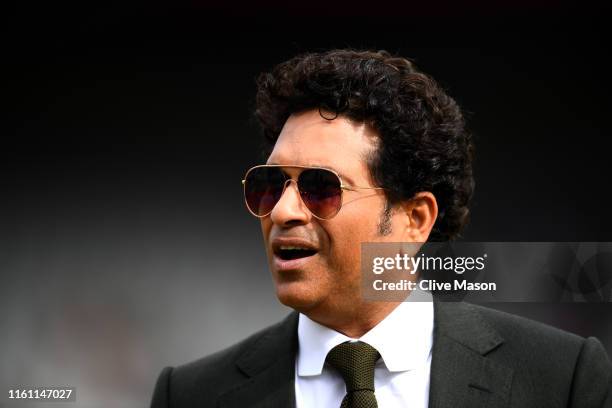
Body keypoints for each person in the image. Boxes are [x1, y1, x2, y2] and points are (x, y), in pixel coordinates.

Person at [150, 49, 612, 407]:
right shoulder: (190, 395)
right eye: (270, 184)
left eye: (320, 187)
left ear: (415, 219)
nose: (284, 211)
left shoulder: (561, 377)